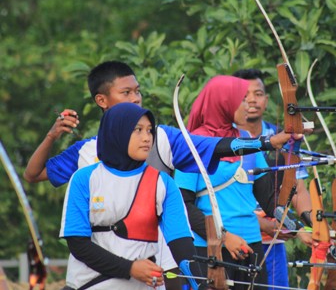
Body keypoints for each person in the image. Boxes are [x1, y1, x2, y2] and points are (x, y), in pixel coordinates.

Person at [23, 61, 303, 289]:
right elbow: (34, 175)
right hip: (94, 276)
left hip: (159, 268)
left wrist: (266, 142)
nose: (135, 98)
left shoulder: (162, 142)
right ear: (102, 100)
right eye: (126, 92)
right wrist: (52, 135)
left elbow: (211, 147)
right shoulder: (85, 156)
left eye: (138, 91)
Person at [60, 102, 204, 289]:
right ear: (116, 132)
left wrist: (200, 285)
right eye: (138, 130)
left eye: (150, 131)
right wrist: (130, 268)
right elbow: (78, 244)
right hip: (89, 284)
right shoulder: (84, 179)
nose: (147, 138)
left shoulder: (163, 183)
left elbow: (181, 244)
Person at [174, 75, 287, 289]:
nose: (248, 105)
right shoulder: (193, 144)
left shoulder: (247, 141)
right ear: (223, 103)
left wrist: (289, 221)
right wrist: (224, 237)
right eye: (241, 99)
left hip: (251, 246)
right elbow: (183, 206)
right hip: (210, 248)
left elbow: (269, 202)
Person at [233, 68, 313, 289]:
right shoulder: (224, 141)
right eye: (243, 94)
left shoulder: (284, 136)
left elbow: (297, 188)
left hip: (274, 241)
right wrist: (263, 224)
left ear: (266, 100)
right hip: (235, 241)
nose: (251, 100)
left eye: (258, 94)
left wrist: (310, 225)